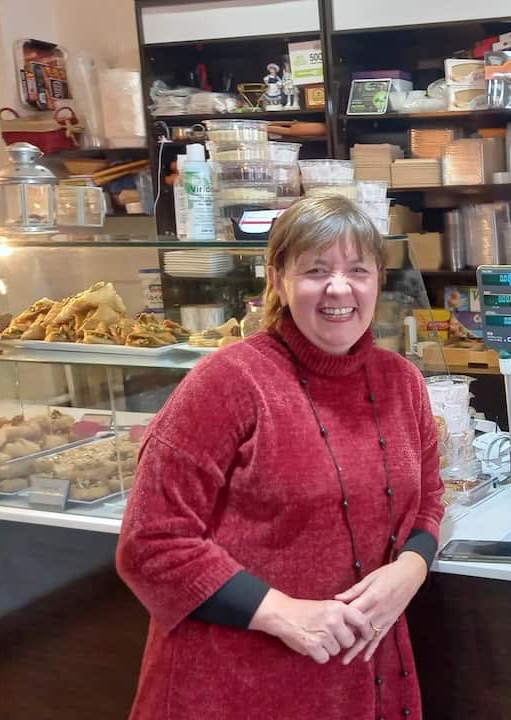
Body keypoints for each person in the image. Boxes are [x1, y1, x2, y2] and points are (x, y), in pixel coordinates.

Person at [116, 196, 444, 720]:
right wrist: (282, 613)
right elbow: (150, 542)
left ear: (378, 279)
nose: (339, 288)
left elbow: (428, 500)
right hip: (237, 684)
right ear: (277, 278)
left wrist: (411, 567)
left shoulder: (401, 382)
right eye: (316, 270)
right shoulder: (228, 382)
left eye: (357, 270)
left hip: (361, 682)